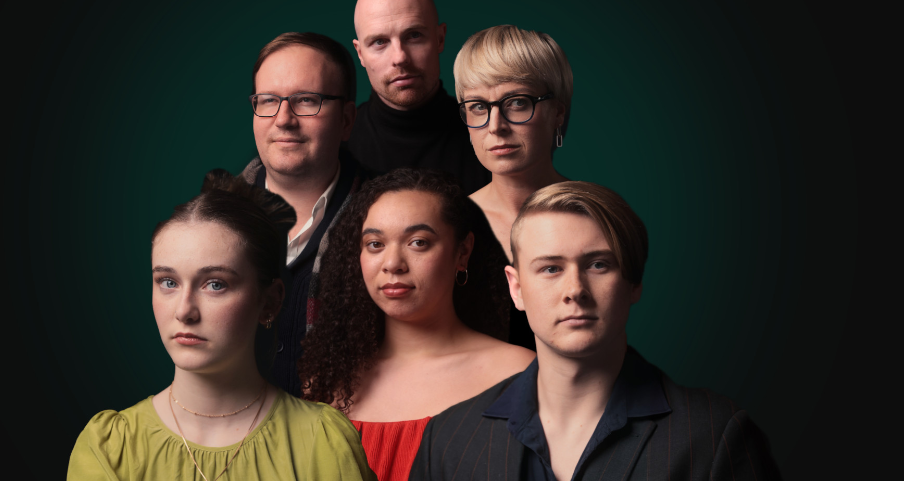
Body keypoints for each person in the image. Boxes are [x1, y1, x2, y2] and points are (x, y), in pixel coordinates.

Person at [409, 181, 781, 480]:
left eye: (599, 264)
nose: (575, 290)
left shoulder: (714, 437)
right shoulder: (446, 441)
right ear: (516, 288)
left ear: (634, 283)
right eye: (551, 268)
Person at [67, 171, 376, 480]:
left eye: (215, 284)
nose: (185, 311)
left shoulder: (322, 442)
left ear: (269, 302)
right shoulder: (110, 448)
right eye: (168, 282)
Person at [299, 168, 535, 481]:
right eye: (375, 244)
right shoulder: (328, 382)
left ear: (462, 252)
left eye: (418, 242)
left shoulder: (517, 374)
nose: (393, 263)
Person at [241, 32, 366, 396]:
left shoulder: (386, 222)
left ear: (346, 120)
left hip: (344, 443)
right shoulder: (212, 221)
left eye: (306, 101)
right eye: (267, 101)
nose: (283, 119)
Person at [347, 0, 492, 195]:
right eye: (379, 42)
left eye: (414, 35)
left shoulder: (490, 137)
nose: (400, 57)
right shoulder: (338, 148)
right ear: (360, 54)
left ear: (440, 38)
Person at [453, 24, 573, 264]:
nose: (496, 126)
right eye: (478, 106)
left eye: (517, 103)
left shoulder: (601, 216)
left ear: (558, 112)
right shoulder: (452, 224)